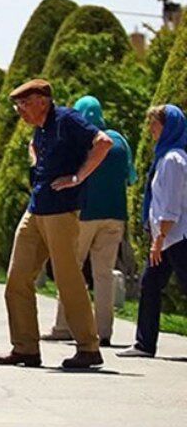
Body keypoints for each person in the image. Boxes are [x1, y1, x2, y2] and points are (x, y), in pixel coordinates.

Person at [0, 79, 112, 370]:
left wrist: (78, 177)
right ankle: (26, 348)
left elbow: (103, 143)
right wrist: (35, 158)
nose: (20, 110)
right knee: (17, 279)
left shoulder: (67, 119)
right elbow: (34, 147)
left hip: (61, 211)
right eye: (17, 105)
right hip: (36, 209)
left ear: (42, 100)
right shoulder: (40, 129)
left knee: (68, 278)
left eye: (24, 103)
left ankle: (88, 347)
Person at [43, 96, 134, 348]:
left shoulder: (82, 142)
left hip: (83, 215)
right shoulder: (120, 142)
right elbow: (132, 177)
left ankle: (63, 326)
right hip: (115, 216)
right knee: (103, 274)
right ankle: (103, 332)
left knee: (70, 269)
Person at [118, 105, 187, 358]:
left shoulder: (172, 160)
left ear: (168, 127)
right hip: (168, 238)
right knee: (150, 284)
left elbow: (171, 205)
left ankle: (145, 343)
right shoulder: (166, 156)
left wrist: (158, 240)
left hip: (176, 237)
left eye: (154, 124)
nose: (151, 130)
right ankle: (144, 344)